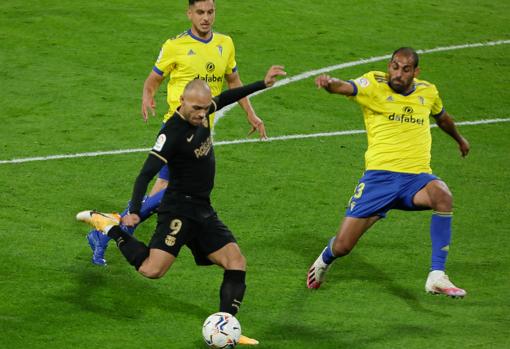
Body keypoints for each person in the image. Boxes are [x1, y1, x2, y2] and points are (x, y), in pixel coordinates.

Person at [77, 65, 286, 346]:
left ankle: (225, 326)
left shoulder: (203, 111)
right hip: (178, 210)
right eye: (197, 108)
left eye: (205, 108)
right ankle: (110, 227)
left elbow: (226, 97)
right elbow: (144, 175)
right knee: (152, 270)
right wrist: (136, 211)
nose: (203, 114)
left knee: (235, 262)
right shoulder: (171, 133)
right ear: (181, 103)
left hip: (202, 208)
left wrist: (263, 83)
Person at [87, 0, 267, 266]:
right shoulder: (175, 46)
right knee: (166, 193)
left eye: (210, 12)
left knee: (161, 191)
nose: (206, 18)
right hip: (178, 133)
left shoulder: (225, 43)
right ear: (189, 13)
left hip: (203, 131)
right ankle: (108, 229)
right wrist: (147, 97)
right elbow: (152, 81)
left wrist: (250, 112)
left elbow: (233, 82)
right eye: (200, 12)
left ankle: (109, 230)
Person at [306, 47, 470, 297]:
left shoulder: (428, 91)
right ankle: (324, 260)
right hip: (379, 180)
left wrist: (459, 139)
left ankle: (437, 275)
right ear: (389, 65)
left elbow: (442, 117)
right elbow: (346, 87)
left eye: (405, 69)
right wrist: (329, 83)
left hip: (416, 180)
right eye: (394, 66)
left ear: (416, 72)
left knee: (443, 195)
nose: (398, 74)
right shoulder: (374, 84)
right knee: (343, 245)